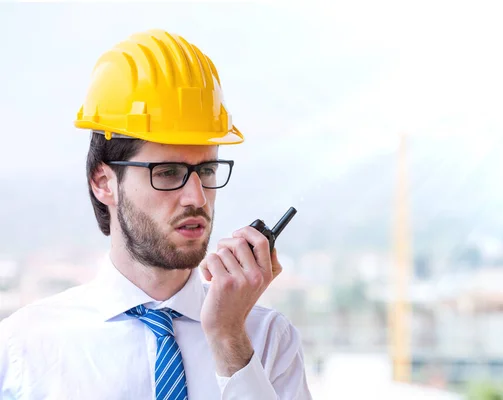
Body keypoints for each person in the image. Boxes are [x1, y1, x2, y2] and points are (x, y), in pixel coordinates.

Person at [0, 29, 312, 400]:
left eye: (207, 171)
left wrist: (229, 340)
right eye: (167, 173)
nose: (196, 197)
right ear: (104, 182)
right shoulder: (25, 350)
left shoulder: (267, 340)